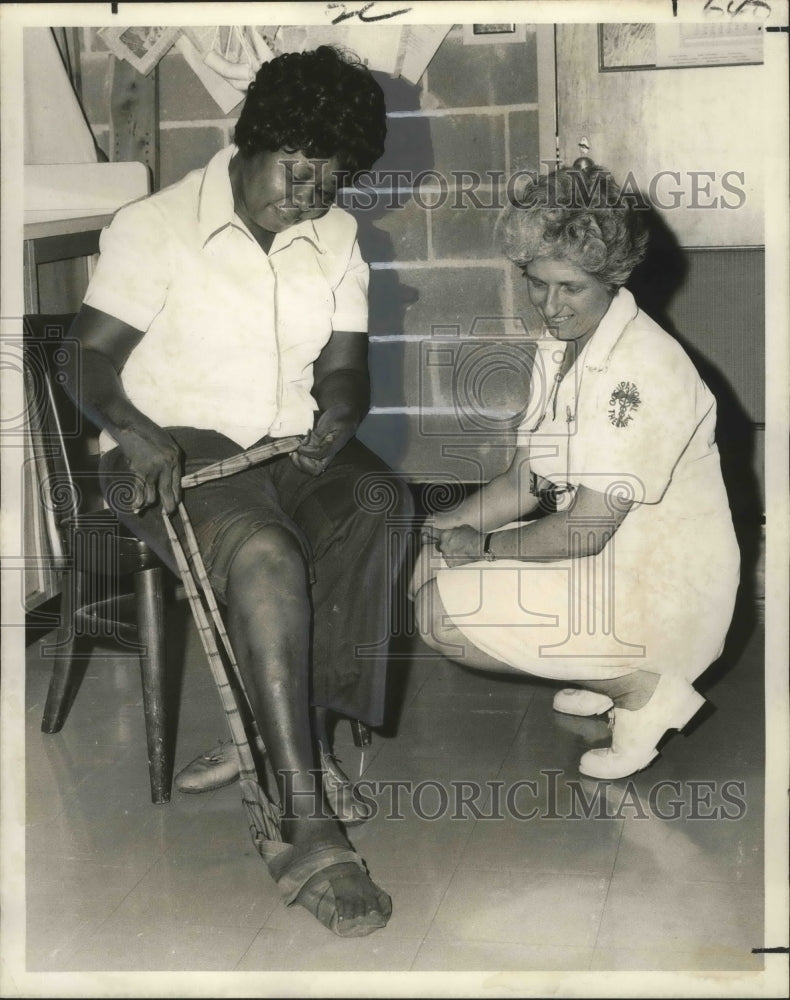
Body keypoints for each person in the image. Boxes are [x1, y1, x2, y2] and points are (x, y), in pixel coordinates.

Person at [63, 46, 413, 937]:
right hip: (170, 450)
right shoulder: (157, 225)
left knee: (381, 504)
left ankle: (294, 728)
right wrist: (136, 433)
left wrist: (340, 412)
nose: (311, 196)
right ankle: (301, 813)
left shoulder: (336, 239)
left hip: (285, 446)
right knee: (261, 547)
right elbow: (84, 355)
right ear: (249, 143)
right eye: (299, 170)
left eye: (331, 181)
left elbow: (345, 369)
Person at [413, 162, 740, 780]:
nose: (549, 306)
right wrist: (442, 527)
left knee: (441, 614)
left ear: (612, 279)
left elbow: (586, 529)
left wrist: (480, 548)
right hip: (607, 565)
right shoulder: (561, 347)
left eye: (569, 288)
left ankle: (643, 688)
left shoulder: (641, 368)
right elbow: (525, 482)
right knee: (431, 567)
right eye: (537, 283)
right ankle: (606, 669)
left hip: (670, 594)